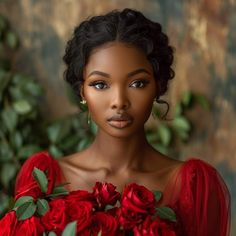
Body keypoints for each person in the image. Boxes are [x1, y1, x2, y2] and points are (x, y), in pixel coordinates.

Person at [0, 8, 230, 236]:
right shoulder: (45, 178)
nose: (119, 102)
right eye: (100, 84)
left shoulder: (192, 186)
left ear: (158, 86)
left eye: (137, 83)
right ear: (82, 92)